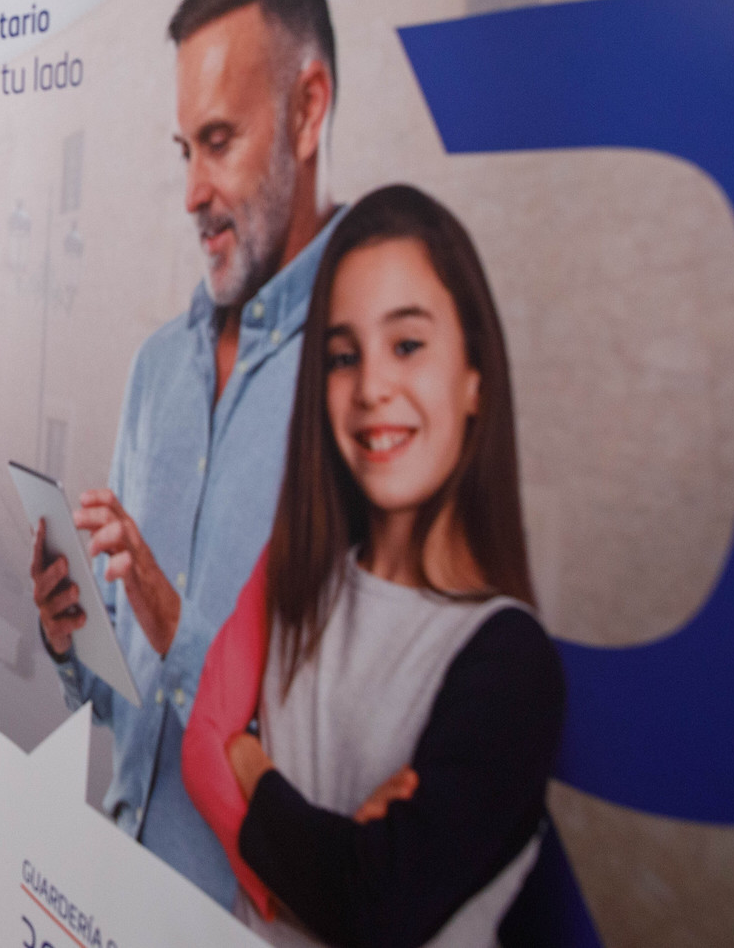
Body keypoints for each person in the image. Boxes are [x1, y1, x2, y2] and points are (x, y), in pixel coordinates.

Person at [29, 0, 340, 905]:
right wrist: (71, 637)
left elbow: (343, 749)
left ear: (307, 110)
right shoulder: (157, 369)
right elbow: (118, 700)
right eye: (184, 150)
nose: (192, 193)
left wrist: (175, 621)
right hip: (110, 881)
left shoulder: (364, 385)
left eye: (220, 141)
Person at [180, 184, 564, 947]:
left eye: (408, 345)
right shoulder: (299, 581)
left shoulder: (511, 663)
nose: (372, 388)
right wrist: (330, 847)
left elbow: (372, 906)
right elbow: (205, 748)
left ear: (476, 376)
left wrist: (253, 766)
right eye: (343, 356)